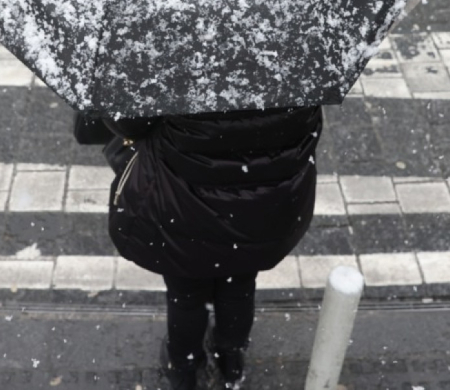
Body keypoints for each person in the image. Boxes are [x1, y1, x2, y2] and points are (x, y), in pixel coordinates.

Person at [97, 106, 323, 390]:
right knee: (240, 284)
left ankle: (184, 367)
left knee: (186, 293)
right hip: (260, 211)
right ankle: (230, 358)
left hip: (182, 207)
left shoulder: (177, 67)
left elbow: (127, 123)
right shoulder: (298, 72)